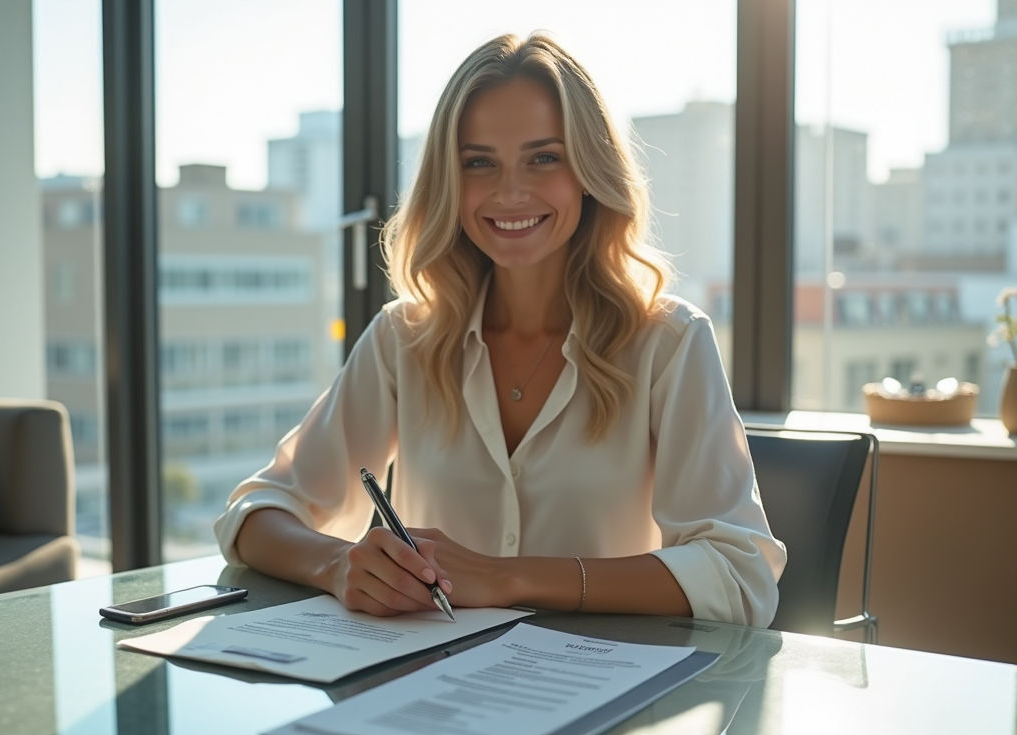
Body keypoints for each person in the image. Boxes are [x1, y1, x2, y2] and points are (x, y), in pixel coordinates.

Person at [213, 32, 786, 625]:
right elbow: (255, 512)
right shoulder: (404, 339)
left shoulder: (668, 343)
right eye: (479, 163)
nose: (511, 193)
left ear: (589, 170)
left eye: (544, 157)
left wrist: (509, 577)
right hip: (427, 694)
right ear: (449, 182)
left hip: (604, 697)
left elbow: (740, 578)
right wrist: (337, 565)